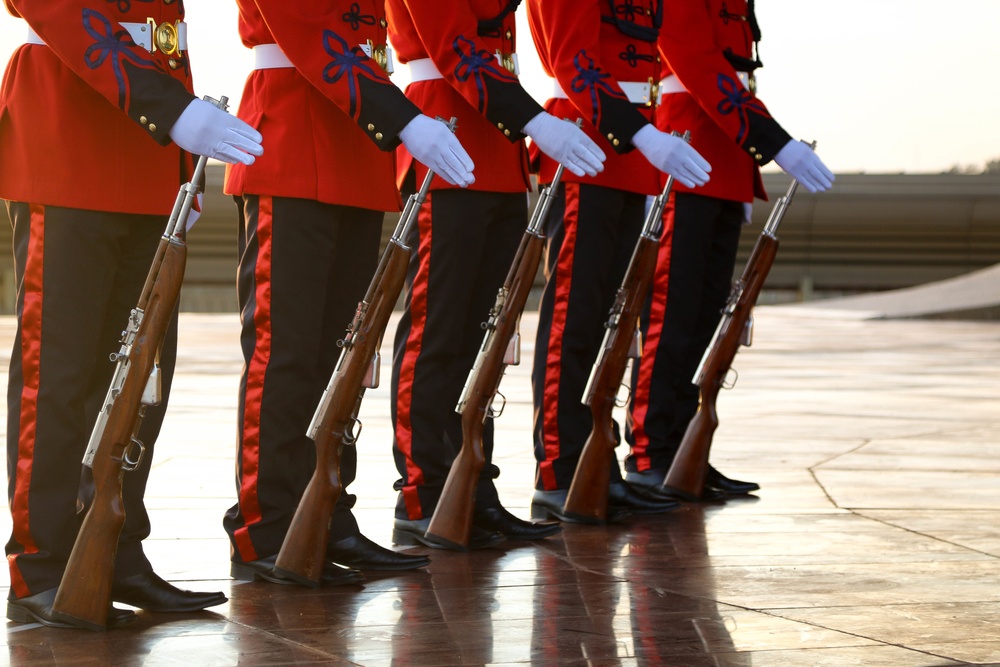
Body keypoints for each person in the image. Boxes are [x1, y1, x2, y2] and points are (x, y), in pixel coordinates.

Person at [1, 1, 263, 628]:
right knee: (60, 370)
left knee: (143, 379)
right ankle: (41, 564)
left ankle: (117, 548)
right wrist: (173, 113)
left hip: (147, 148)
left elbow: (163, 37)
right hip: (69, 137)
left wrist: (182, 168)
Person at [223, 0, 476, 582]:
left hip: (358, 144)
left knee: (344, 360)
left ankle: (329, 515)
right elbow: (309, 33)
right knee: (282, 355)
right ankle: (265, 527)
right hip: (292, 136)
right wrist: (406, 118)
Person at [384, 0, 608, 550]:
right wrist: (534, 119)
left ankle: (474, 487)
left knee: (484, 341)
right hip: (448, 129)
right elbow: (456, 49)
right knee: (436, 330)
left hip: (495, 143)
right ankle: (423, 492)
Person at [624, 0, 834, 497]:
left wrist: (743, 173)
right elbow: (697, 64)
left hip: (725, 156)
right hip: (689, 143)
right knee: (670, 314)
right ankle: (650, 452)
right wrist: (775, 143)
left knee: (707, 320)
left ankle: (683, 454)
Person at [525, 0, 713, 523]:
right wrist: (644, 135)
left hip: (631, 150)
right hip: (587, 140)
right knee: (574, 318)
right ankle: (559, 472)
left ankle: (598, 466)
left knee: (612, 328)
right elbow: (574, 62)